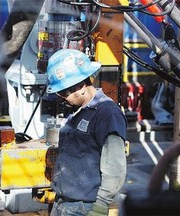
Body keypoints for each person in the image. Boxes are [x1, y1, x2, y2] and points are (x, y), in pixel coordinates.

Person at [46, 48, 127, 216]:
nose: (60, 97)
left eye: (62, 92)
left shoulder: (106, 114)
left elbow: (114, 167)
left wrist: (100, 207)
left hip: (85, 208)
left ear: (81, 86)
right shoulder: (76, 110)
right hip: (63, 202)